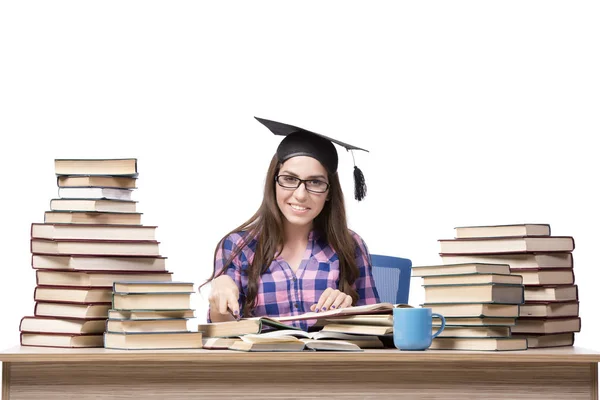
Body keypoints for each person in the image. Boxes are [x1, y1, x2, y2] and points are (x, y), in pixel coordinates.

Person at [201, 117, 380, 331]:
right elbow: (223, 334)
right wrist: (219, 297)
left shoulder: (349, 245)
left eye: (315, 182)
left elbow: (378, 327)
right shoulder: (238, 246)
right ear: (273, 182)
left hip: (330, 363)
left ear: (329, 191)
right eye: (289, 179)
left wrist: (348, 312)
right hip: (264, 363)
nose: (301, 195)